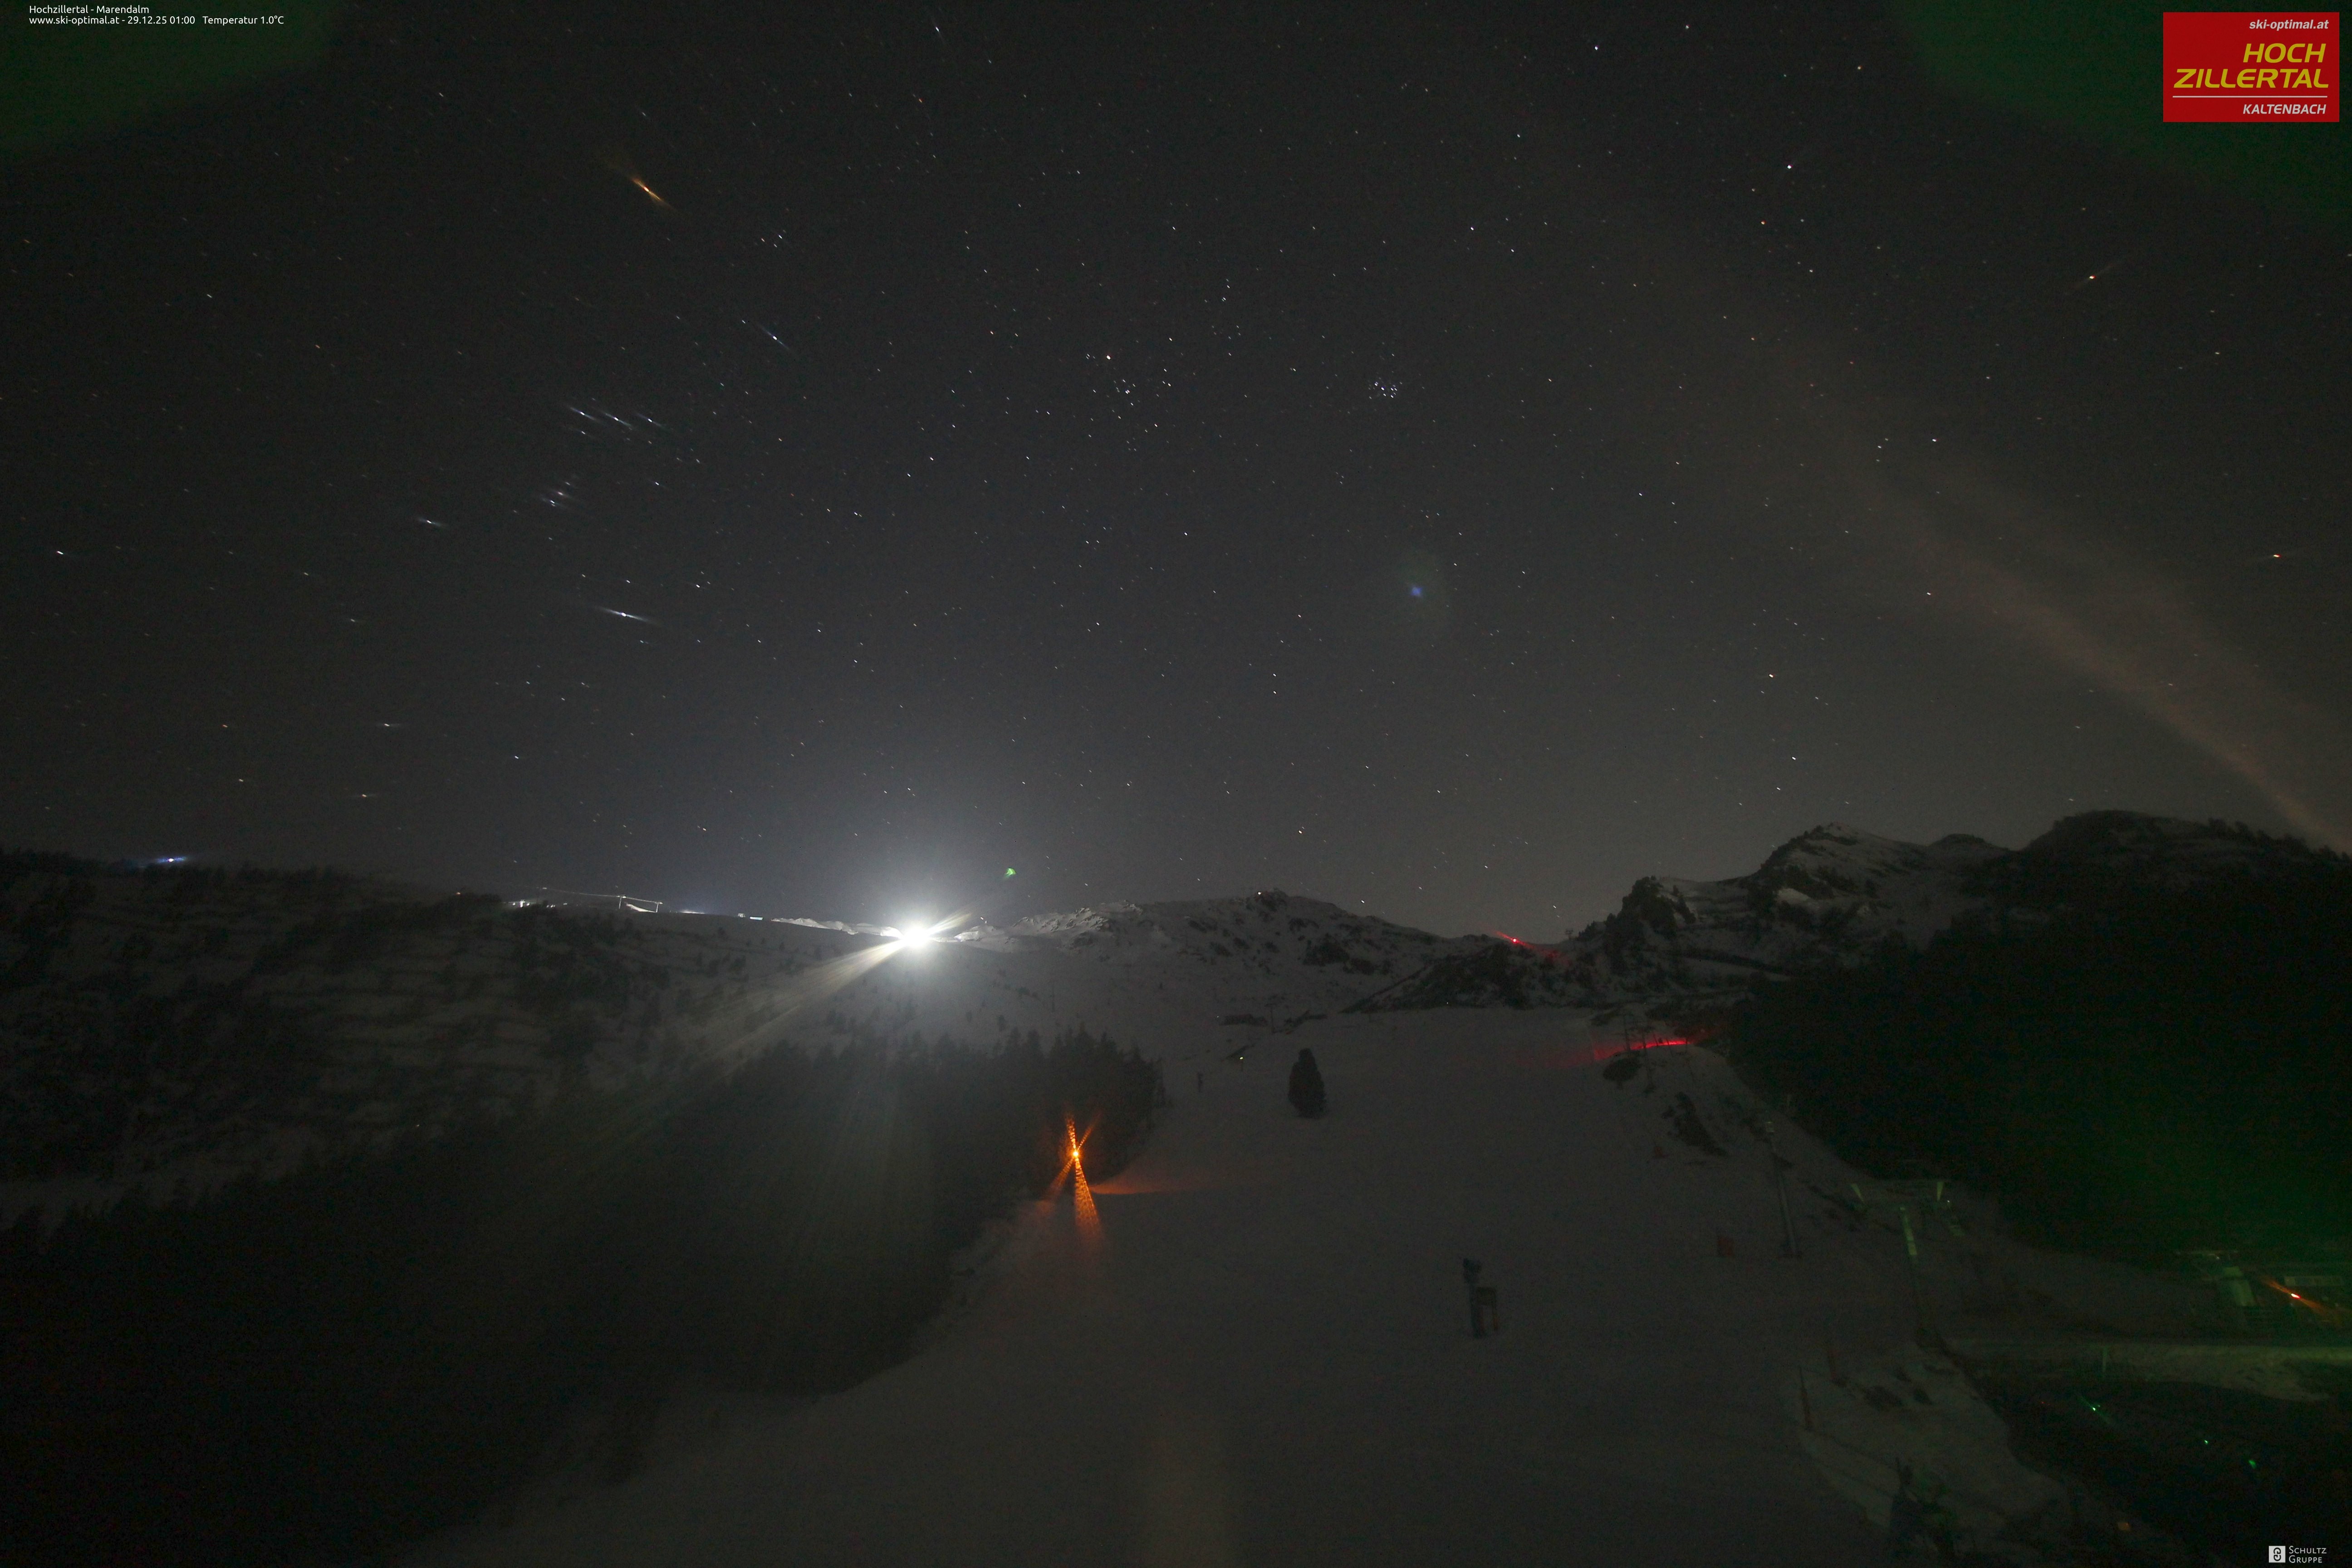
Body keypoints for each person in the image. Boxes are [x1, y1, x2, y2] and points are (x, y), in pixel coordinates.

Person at [1287, 1047, 1327, 1117]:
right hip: (1301, 1093)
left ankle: (1313, 1108)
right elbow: (1293, 1083)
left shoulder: (1312, 1068)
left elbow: (1319, 1084)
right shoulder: (1298, 1068)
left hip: (1312, 1094)